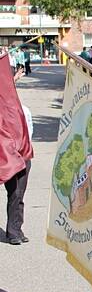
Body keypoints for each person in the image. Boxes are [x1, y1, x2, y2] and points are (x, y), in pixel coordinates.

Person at [2, 67, 33, 245]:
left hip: (25, 156)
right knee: (14, 193)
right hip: (10, 158)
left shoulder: (25, 110)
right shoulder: (3, 112)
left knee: (20, 195)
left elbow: (30, 132)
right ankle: (12, 233)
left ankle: (17, 229)